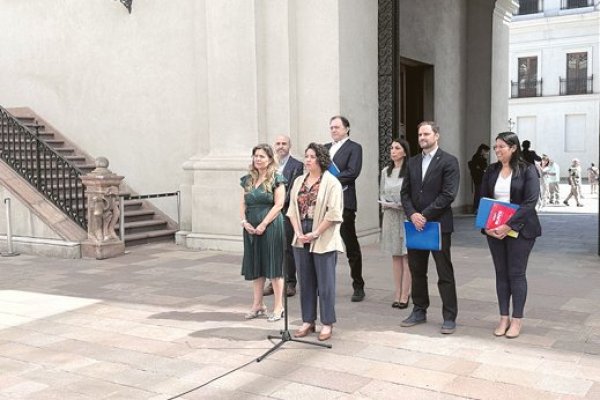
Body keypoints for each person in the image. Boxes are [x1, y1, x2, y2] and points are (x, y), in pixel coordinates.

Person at [400, 121, 460, 334]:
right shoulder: (413, 162)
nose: (422, 137)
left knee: (444, 272)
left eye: (426, 133)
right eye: (419, 134)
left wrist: (424, 215)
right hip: (416, 225)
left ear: (437, 135)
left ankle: (449, 316)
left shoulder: (449, 161)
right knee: (417, 270)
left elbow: (448, 194)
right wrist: (413, 214)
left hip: (438, 225)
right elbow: (405, 193)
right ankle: (419, 310)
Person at [480, 131, 541, 339]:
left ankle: (517, 320)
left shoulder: (528, 170)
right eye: (495, 147)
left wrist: (508, 225)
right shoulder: (491, 170)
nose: (497, 150)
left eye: (501, 147)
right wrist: (485, 226)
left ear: (513, 148)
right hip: (494, 229)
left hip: (521, 230)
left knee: (516, 273)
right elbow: (484, 198)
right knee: (501, 273)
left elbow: (530, 202)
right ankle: (503, 317)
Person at [287, 142, 345, 341]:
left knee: (325, 282)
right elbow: (292, 209)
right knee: (305, 280)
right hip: (300, 233)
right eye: (306, 156)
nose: (308, 160)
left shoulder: (331, 182)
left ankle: (327, 323)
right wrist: (298, 231)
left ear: (321, 159)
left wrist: (315, 233)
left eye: (312, 157)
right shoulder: (298, 181)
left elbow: (334, 212)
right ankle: (308, 321)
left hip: (323, 234)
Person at [239, 144, 286, 321]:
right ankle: (257, 304)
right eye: (256, 156)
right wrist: (244, 221)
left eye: (262, 156)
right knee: (256, 265)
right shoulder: (248, 179)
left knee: (273, 266)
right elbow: (243, 202)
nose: (258, 159)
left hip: (271, 226)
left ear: (270, 159)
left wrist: (264, 224)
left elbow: (279, 204)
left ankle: (278, 307)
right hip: (251, 227)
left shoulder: (277, 178)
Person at [324, 116, 365, 302]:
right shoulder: (324, 148)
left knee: (350, 245)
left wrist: (328, 182)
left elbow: (352, 172)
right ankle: (323, 284)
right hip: (324, 203)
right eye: (331, 127)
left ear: (347, 129)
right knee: (324, 245)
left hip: (345, 202)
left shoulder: (354, 148)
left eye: (337, 127)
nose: (333, 130)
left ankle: (358, 285)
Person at [263, 135, 304, 298]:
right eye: (278, 144)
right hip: (269, 212)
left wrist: (278, 203)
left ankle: (290, 282)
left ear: (290, 146)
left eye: (284, 144)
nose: (281, 146)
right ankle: (273, 282)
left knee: (287, 249)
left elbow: (293, 189)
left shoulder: (297, 165)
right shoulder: (269, 165)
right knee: (272, 248)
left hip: (286, 212)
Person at [379, 139, 412, 309]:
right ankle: (397, 292)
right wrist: (385, 202)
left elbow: (412, 195)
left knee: (406, 255)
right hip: (391, 215)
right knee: (395, 255)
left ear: (405, 152)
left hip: (405, 215)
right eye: (391, 148)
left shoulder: (410, 171)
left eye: (397, 148)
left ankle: (405, 294)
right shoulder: (386, 171)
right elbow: (382, 192)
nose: (393, 151)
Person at [468, 144, 490, 212]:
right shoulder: (478, 157)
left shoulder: (478, 157)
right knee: (479, 193)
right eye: (486, 151)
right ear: (482, 150)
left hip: (479, 178)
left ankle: (477, 208)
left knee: (479, 193)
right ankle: (476, 208)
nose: (487, 153)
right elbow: (482, 167)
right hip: (479, 178)